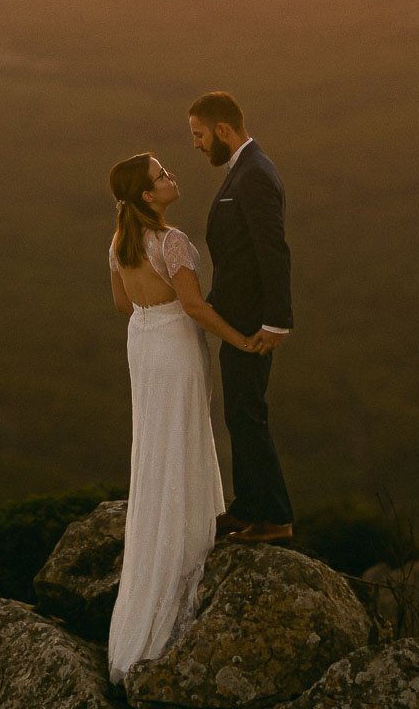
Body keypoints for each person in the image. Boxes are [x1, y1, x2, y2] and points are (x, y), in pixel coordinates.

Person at [104, 151, 257, 685]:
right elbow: (193, 306)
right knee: (185, 437)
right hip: (173, 341)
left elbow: (124, 305)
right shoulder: (173, 242)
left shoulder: (119, 243)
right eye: (161, 175)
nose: (171, 177)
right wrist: (241, 340)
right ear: (148, 195)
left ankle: (151, 566)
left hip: (142, 344)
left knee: (154, 443)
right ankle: (185, 545)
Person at [188, 90, 295, 545]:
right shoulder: (245, 169)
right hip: (239, 320)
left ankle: (273, 518)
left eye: (199, 134)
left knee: (247, 414)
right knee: (239, 413)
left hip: (253, 324)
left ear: (224, 131)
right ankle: (251, 508)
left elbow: (272, 249)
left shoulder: (253, 174)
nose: (196, 144)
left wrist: (276, 321)